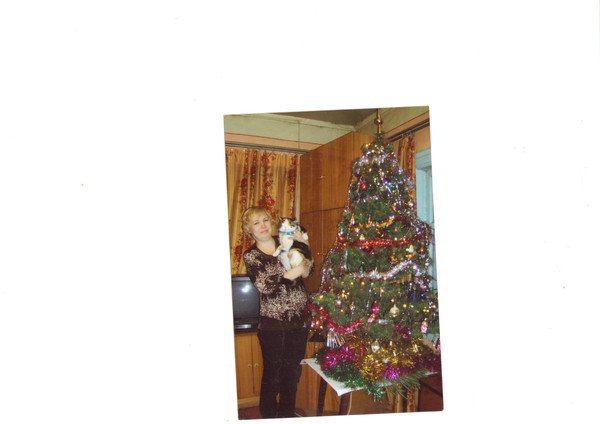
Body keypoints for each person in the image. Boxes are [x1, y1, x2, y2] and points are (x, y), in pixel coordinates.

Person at [242, 206, 313, 419]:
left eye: (265, 220)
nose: (263, 225)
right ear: (249, 229)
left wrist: (304, 244)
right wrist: (296, 271)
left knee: (292, 373)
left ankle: (286, 414)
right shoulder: (252, 255)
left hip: (299, 320)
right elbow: (266, 286)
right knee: (273, 373)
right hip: (273, 324)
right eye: (256, 223)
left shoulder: (285, 241)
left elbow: (309, 269)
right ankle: (268, 416)